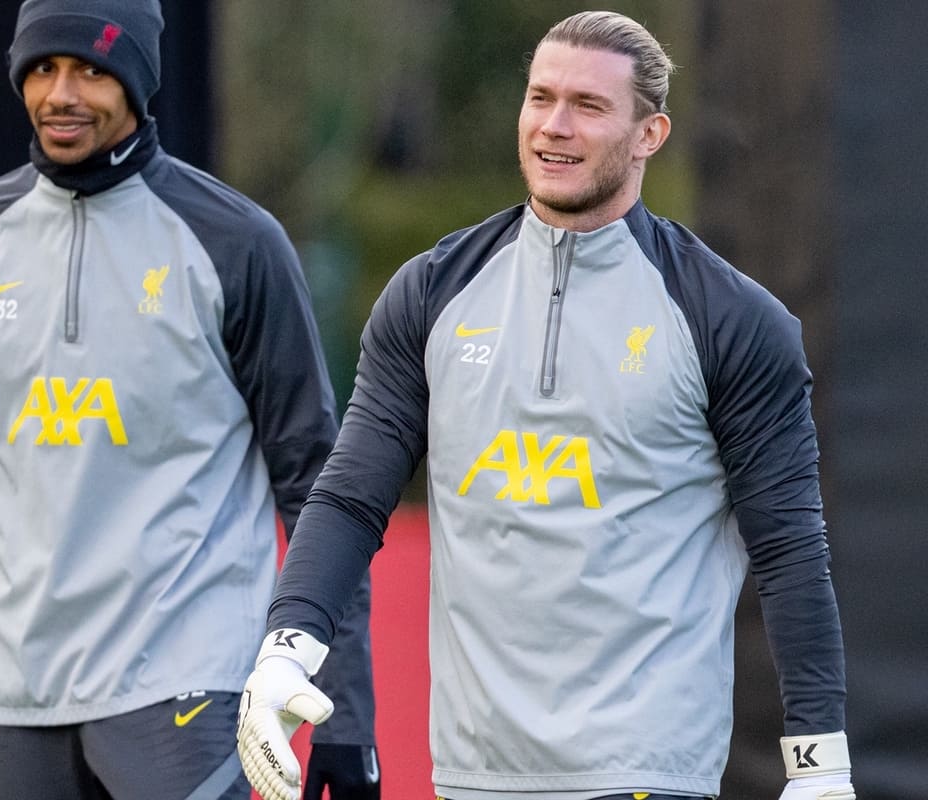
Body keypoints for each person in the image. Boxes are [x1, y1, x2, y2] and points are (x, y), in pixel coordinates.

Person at [236, 10, 854, 800]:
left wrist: (819, 759)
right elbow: (352, 497)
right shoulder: (430, 293)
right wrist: (286, 646)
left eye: (589, 107)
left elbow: (789, 548)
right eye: (541, 98)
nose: (554, 127)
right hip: (474, 772)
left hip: (645, 771)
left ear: (648, 134)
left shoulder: (730, 319)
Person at [0, 1, 381, 798]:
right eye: (41, 69)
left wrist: (345, 714)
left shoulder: (235, 244)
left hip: (187, 685)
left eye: (91, 69)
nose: (60, 93)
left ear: (139, 82)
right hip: (21, 697)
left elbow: (318, 488)